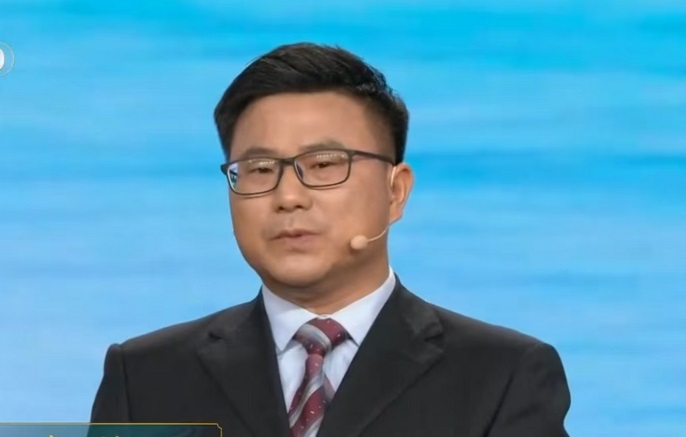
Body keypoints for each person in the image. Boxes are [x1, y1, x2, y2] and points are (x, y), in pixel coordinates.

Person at [90, 42, 571, 437]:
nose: (288, 197)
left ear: (395, 192)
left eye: (323, 165)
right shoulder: (144, 375)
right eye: (259, 169)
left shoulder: (502, 375)